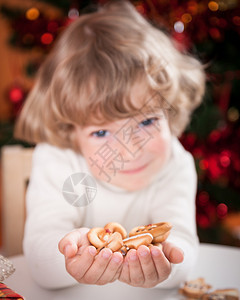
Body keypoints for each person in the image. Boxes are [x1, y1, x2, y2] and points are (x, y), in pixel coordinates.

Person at [14, 0, 205, 290]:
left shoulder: (175, 165)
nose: (129, 150)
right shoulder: (58, 160)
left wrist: (167, 260)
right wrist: (70, 256)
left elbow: (184, 246)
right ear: (71, 130)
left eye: (145, 123)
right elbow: (39, 261)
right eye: (101, 133)